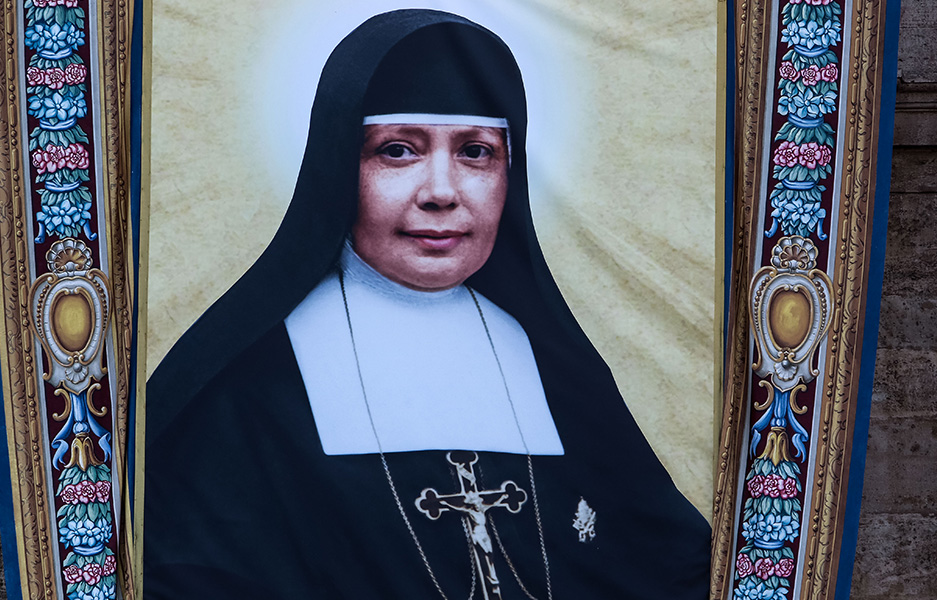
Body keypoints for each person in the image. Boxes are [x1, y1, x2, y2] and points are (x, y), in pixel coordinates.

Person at [144, 9, 711, 599]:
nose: (441, 192)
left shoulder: (557, 370)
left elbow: (672, 569)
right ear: (340, 167)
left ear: (509, 174)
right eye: (397, 151)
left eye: (475, 152)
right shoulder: (248, 386)